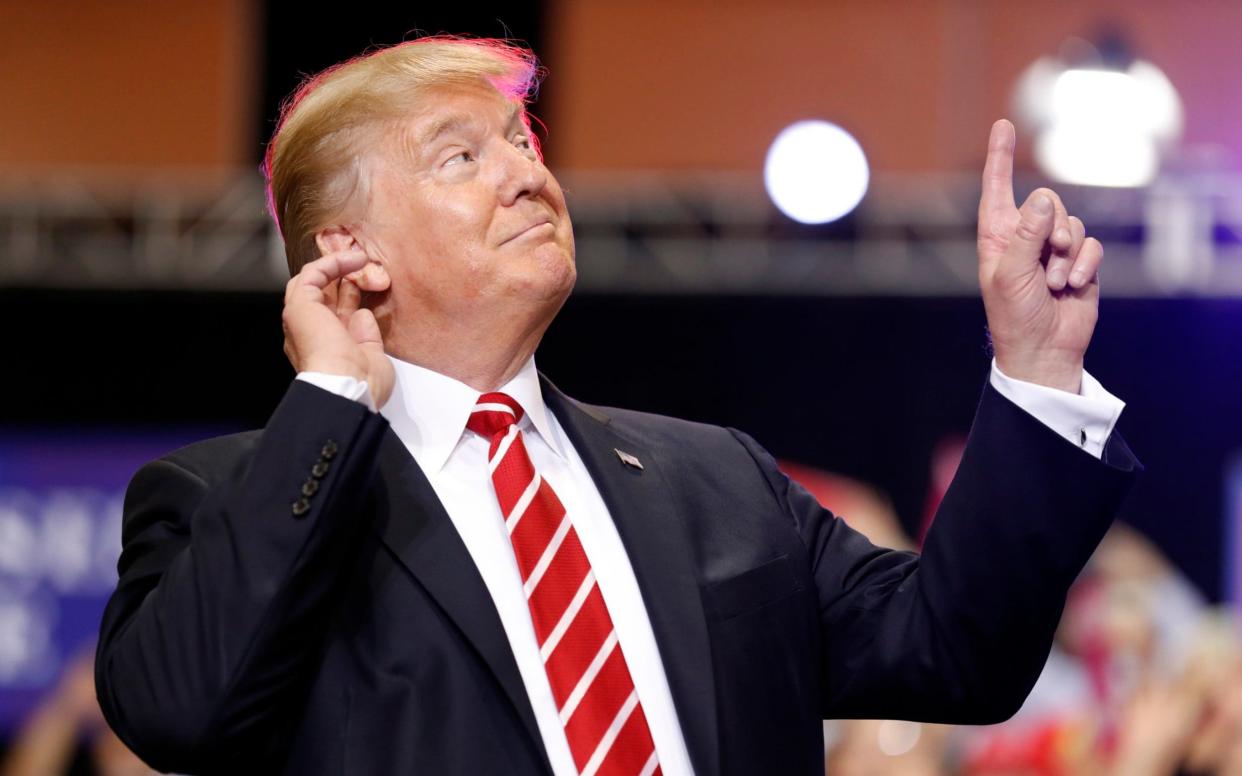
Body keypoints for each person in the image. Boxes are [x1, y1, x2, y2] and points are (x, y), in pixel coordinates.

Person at [94, 37, 1139, 776]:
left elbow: (957, 646)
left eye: (523, 141)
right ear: (347, 252)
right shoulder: (229, 499)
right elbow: (183, 710)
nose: (527, 175)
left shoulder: (715, 478)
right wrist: (327, 396)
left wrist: (1035, 377)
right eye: (464, 155)